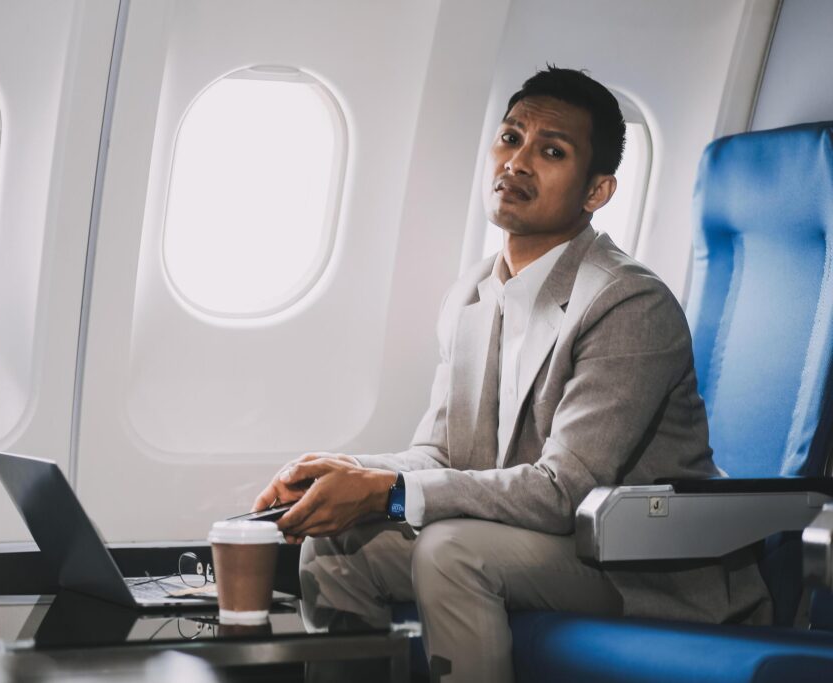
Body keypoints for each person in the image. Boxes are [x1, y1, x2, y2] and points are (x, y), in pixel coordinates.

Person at [253, 66, 771, 682]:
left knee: (452, 553)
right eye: (510, 138)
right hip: (542, 543)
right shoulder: (474, 290)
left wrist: (387, 492)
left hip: (639, 564)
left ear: (597, 191)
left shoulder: (629, 304)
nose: (517, 162)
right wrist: (349, 473)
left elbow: (564, 492)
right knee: (333, 546)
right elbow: (442, 452)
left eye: (551, 151)